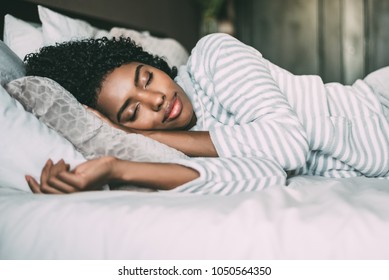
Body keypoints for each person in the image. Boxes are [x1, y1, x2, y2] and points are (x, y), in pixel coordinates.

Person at [24, 33, 389, 195]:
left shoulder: (214, 55)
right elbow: (263, 174)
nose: (155, 100)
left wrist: (140, 134)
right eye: (133, 112)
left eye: (147, 77)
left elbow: (288, 145)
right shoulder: (187, 144)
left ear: (154, 64)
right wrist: (116, 167)